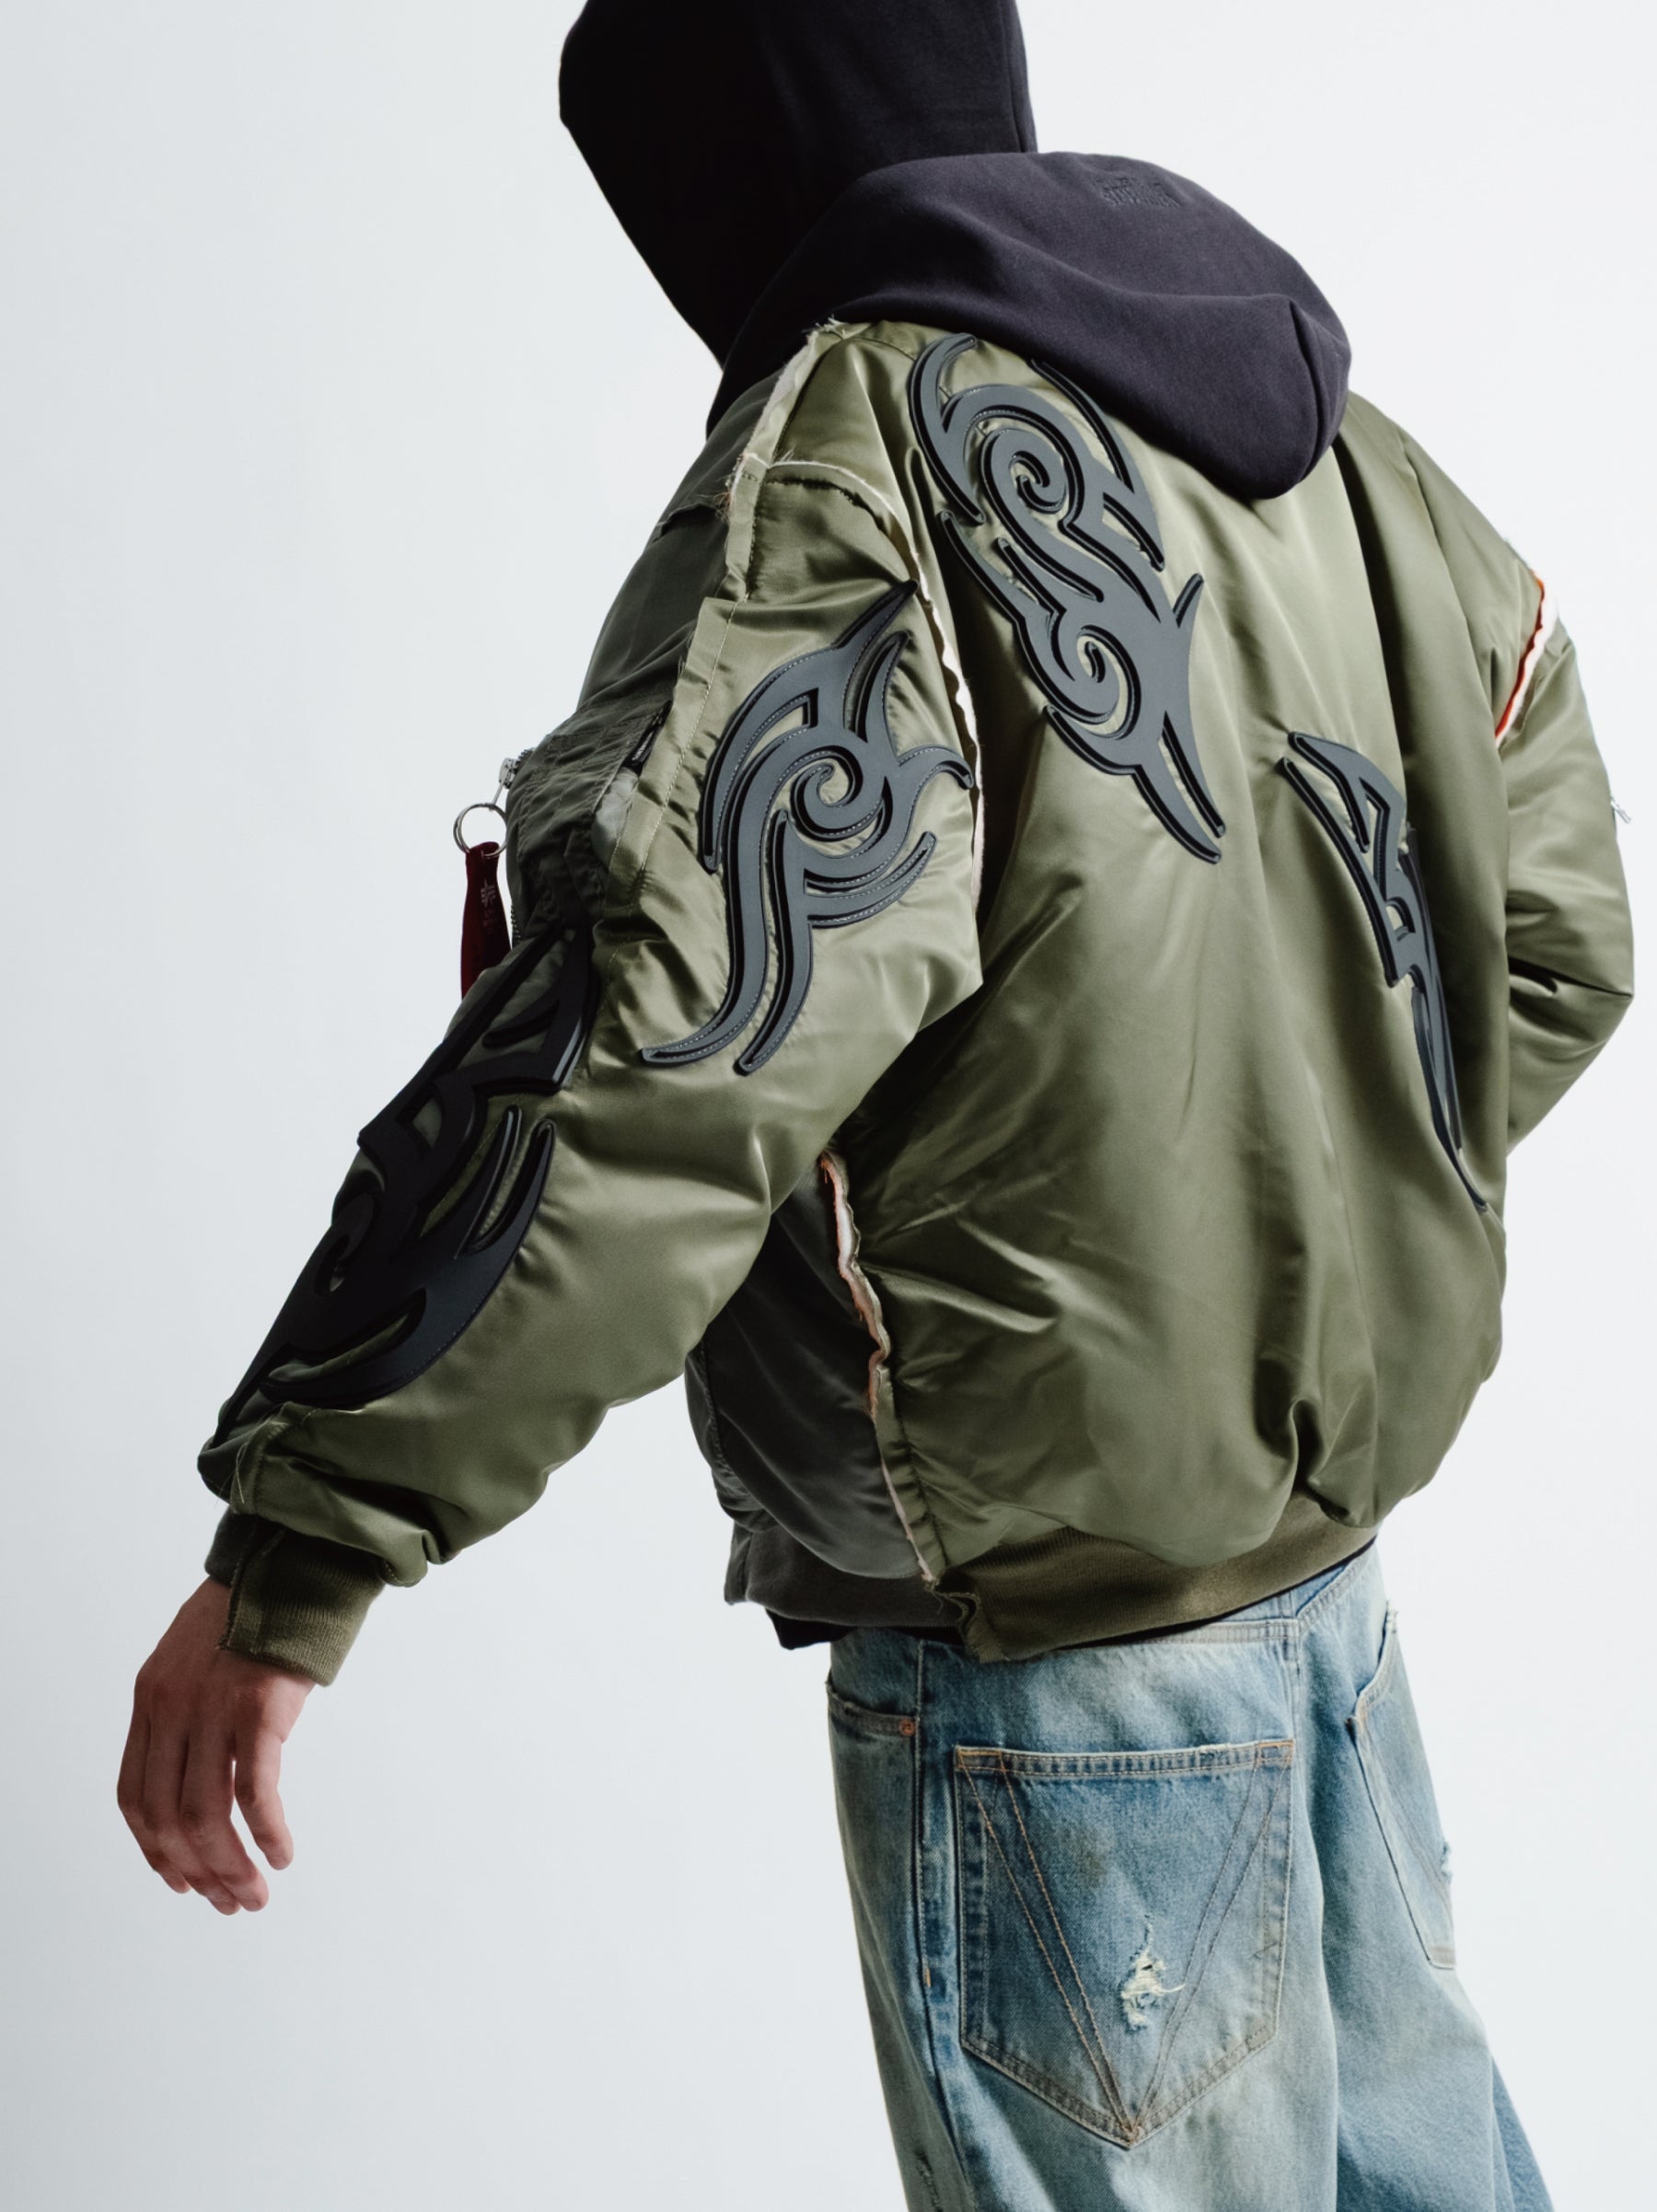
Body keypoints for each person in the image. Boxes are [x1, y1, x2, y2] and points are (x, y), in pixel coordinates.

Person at [118, 5, 1633, 2206]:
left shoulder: (857, 463)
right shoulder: (1334, 441)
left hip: (1053, 1672)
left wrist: (299, 1545)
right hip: (1324, 1604)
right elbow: (1557, 937)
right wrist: (1263, 1244)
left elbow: (662, 1051)